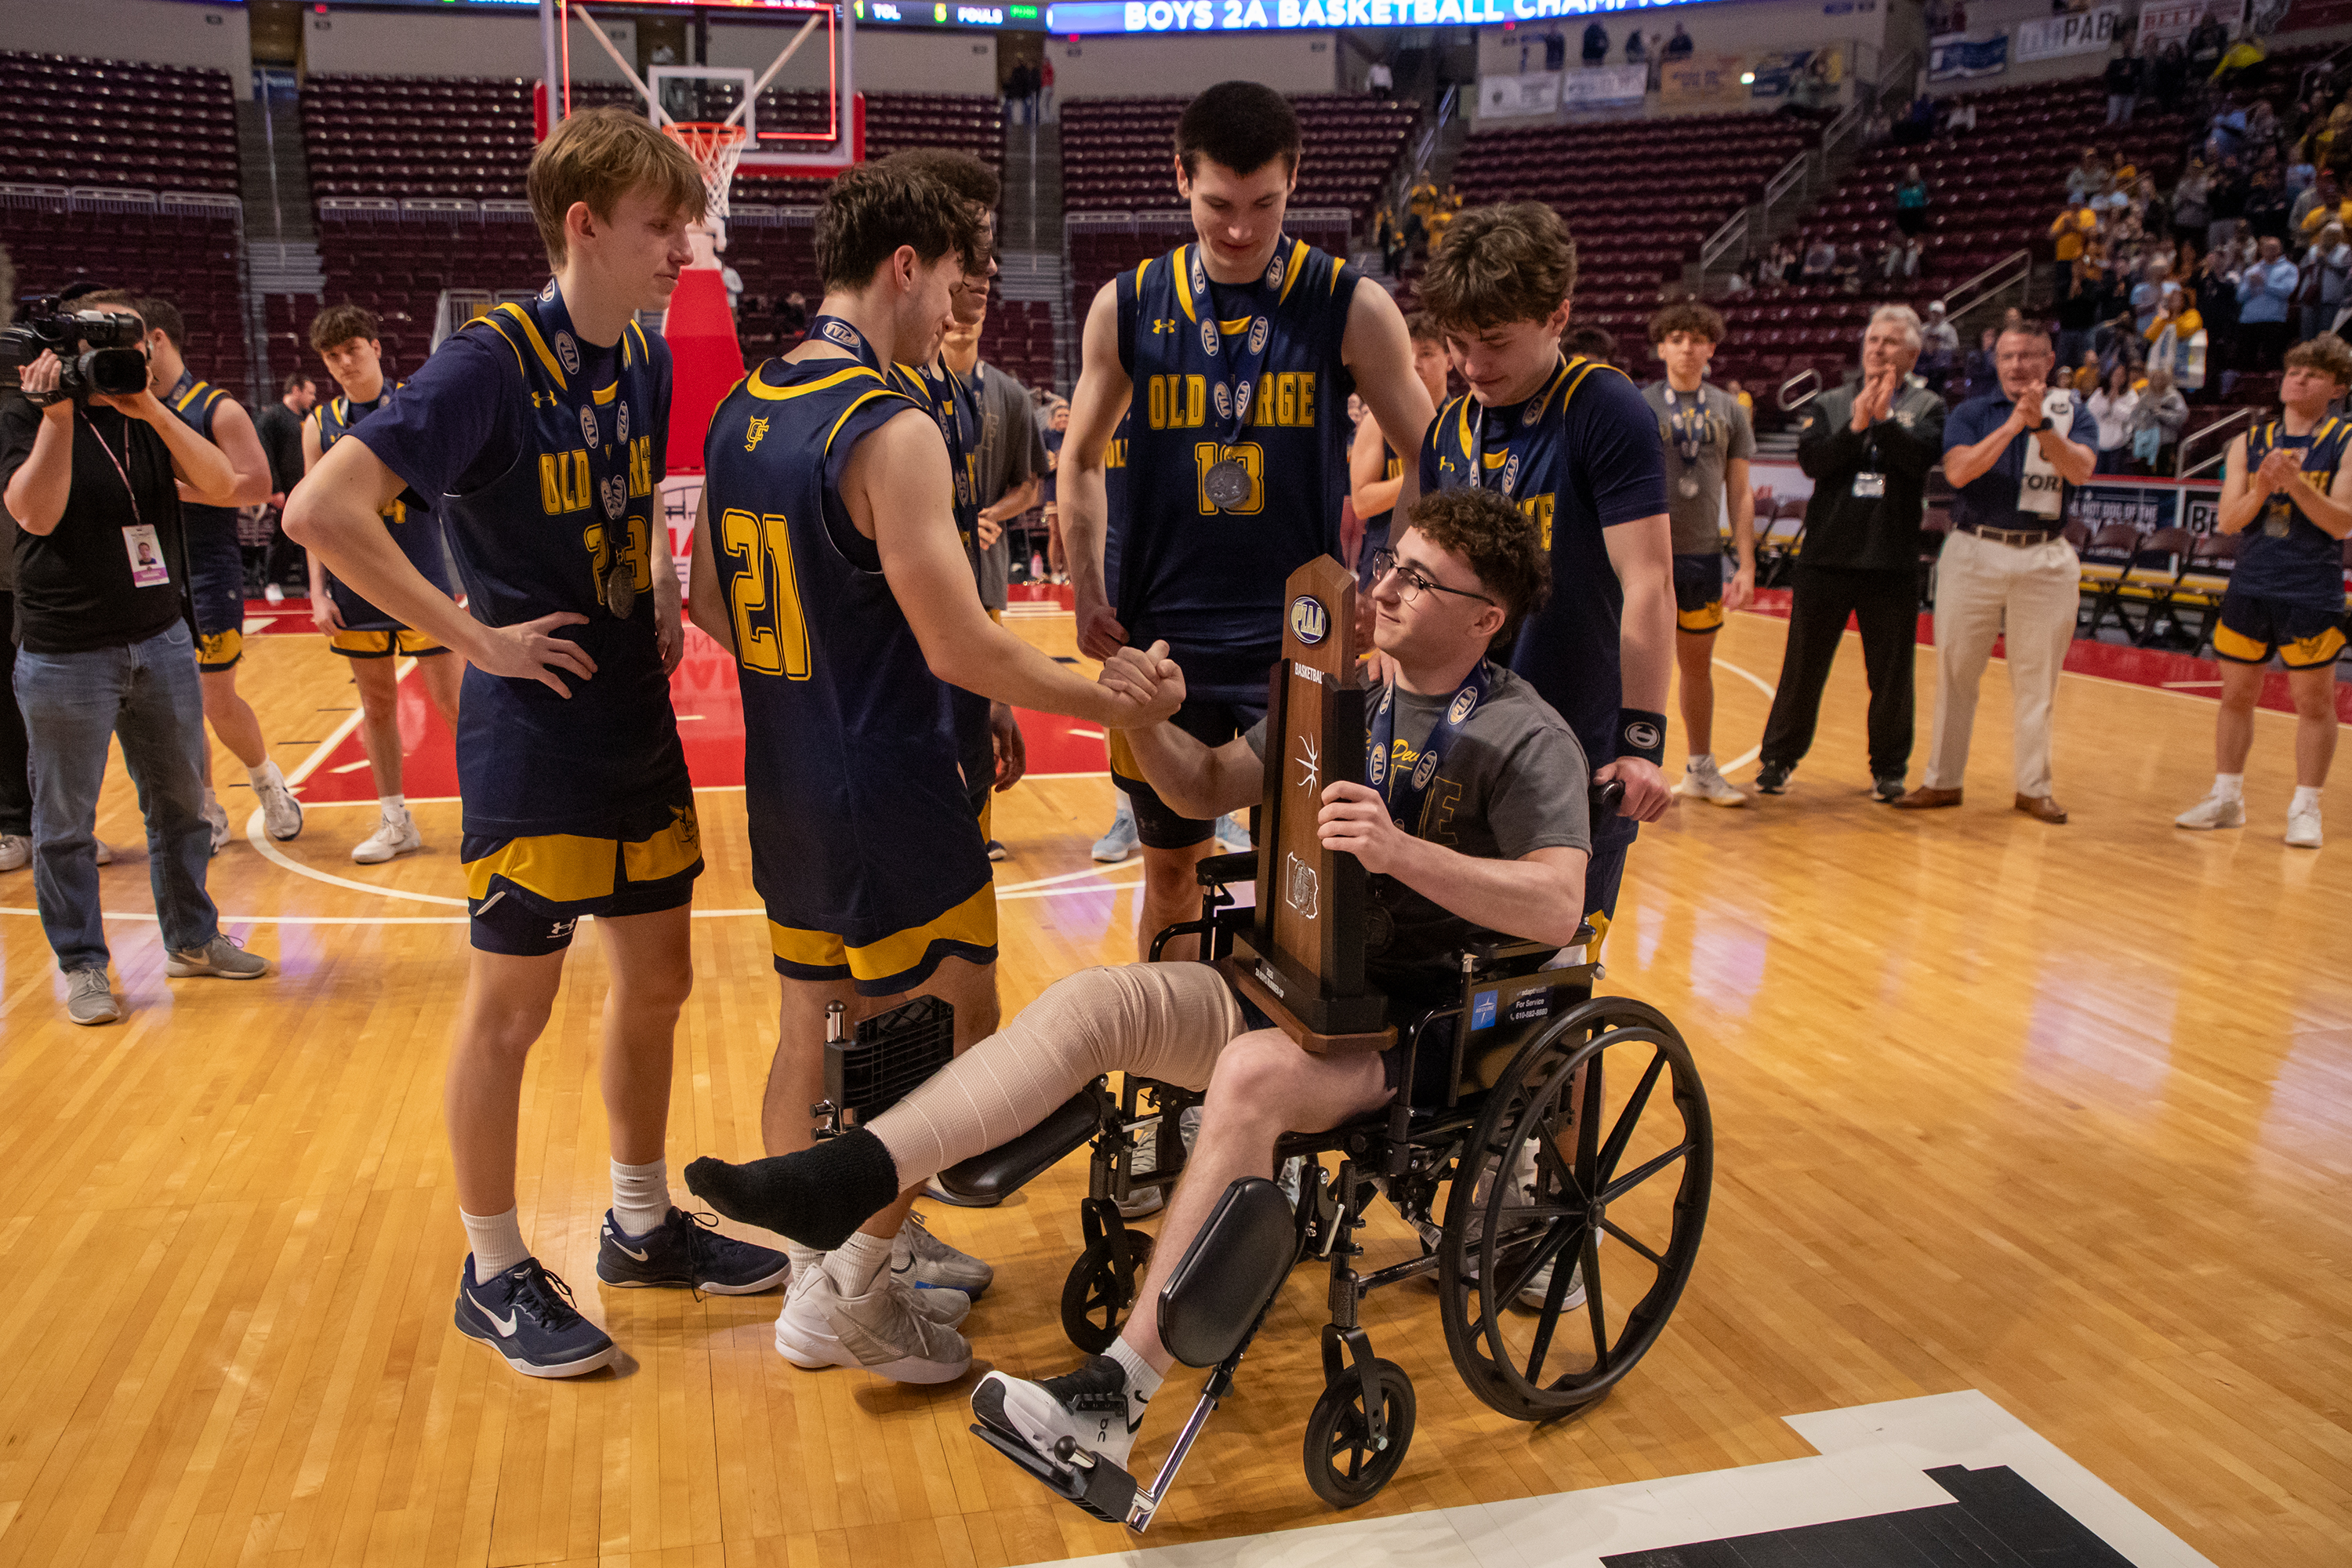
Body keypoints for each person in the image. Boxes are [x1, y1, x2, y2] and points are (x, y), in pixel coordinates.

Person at [681, 488, 1592, 1467]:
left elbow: (1556, 905)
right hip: (1299, 984)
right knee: (1096, 1000)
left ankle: (1117, 1398)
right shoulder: (1338, 694)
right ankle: (851, 1175)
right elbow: (1203, 785)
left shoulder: (1525, 734)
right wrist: (1149, 722)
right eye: (1392, 561)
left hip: (1411, 1030)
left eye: (1421, 577)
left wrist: (1402, 851)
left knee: (1247, 1080)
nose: (1389, 585)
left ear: (1485, 617)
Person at [285, 107, 791, 1379]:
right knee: (512, 1008)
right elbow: (321, 509)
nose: (687, 243)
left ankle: (637, 1223)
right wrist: (474, 635)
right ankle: (495, 1265)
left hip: (633, 715)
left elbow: (631, 503)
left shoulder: (654, 359)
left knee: (660, 983)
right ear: (585, 225)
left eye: (688, 220)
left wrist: (669, 600)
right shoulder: (489, 362)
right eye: (661, 224)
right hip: (533, 736)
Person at [691, 159, 1184, 1383]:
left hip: (791, 779)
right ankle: (852, 1294)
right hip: (890, 787)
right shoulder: (891, 421)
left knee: (817, 1019)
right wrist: (1108, 696)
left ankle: (823, 1270)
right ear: (904, 267)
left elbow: (702, 599)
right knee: (947, 1028)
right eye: (954, 276)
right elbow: (961, 642)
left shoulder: (746, 400)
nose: (960, 301)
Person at [1058, 82, 1437, 966]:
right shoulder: (1129, 303)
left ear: (1294, 181)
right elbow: (1076, 459)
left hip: (1297, 644)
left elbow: (1430, 452)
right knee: (1169, 878)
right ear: (1180, 179)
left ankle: (1263, 1084)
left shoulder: (1350, 304)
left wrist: (1387, 585)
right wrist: (1086, 589)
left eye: (1264, 204)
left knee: (1295, 878)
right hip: (1164, 647)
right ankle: (1169, 1078)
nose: (1239, 229)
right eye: (1218, 204)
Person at [2, 289, 268, 1025]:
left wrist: (150, 409)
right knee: (65, 824)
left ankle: (192, 937)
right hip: (65, 652)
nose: (115, 355)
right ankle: (84, 964)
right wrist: (58, 417)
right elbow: (36, 512)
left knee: (182, 807)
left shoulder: (143, 414)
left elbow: (223, 485)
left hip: (161, 635)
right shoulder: (22, 414)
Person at [1418, 201, 1675, 946]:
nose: (1472, 365)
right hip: (1463, 741)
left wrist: (1642, 742)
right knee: (1459, 967)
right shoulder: (1448, 427)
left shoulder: (1604, 408)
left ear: (1558, 314)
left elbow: (1650, 585)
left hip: (1575, 743)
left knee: (1554, 966)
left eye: (1493, 343)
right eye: (1458, 343)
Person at [1897, 321, 2096, 823]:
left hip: (2045, 556)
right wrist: (2012, 426)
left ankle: (2034, 787)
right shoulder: (1970, 412)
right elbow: (1960, 472)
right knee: (1955, 671)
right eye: (2007, 356)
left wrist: (2041, 428)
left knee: (2038, 679)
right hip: (1974, 548)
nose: (2016, 365)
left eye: (2028, 356)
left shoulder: (2074, 413)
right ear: (1996, 361)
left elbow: (2079, 470)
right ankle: (1943, 780)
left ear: (2049, 361)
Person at [1755, 307, 1947, 803]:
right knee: (1803, 666)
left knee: (1890, 675)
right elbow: (1814, 461)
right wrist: (1858, 424)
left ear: (1912, 353)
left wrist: (1881, 422)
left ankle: (1888, 769)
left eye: (1890, 341)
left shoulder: (1929, 407)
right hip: (1826, 557)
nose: (1879, 348)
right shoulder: (1833, 402)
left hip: (1892, 561)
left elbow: (1918, 461)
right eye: (1873, 340)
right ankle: (1777, 760)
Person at [136, 295, 306, 851]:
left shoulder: (217, 408)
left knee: (216, 699)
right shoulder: (122, 409)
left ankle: (266, 780)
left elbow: (257, 487)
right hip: (150, 570)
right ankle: (205, 805)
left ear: (158, 339)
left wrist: (175, 490)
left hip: (208, 567)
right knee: (177, 702)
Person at [299, 305, 466, 866]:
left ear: (375, 347)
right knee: (376, 704)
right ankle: (396, 820)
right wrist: (317, 591)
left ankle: (491, 813)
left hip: (421, 570)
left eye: (353, 349)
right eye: (332, 355)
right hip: (354, 584)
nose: (345, 362)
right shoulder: (318, 424)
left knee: (455, 701)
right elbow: (311, 515)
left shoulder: (414, 405)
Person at [2174, 334, 2352, 848]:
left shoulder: (2344, 441)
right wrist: (2264, 487)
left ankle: (2306, 807)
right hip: (2250, 584)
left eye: (2313, 374)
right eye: (2294, 369)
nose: (2297, 378)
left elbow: (2341, 524)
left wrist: (2295, 485)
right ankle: (2226, 797)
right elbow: (2230, 520)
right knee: (2235, 695)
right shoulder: (2247, 443)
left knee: (2315, 702)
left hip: (2310, 590)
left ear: (2337, 387)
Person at [1642, 301, 1755, 807]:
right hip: (1645, 556)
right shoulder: (1640, 404)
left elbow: (1741, 492)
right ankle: (1624, 763)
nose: (1687, 348)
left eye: (1698, 339)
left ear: (1712, 348)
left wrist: (1747, 563)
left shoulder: (1731, 409)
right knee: (1634, 663)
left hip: (1703, 556)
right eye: (1678, 338)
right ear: (1661, 346)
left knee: (1696, 666)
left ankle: (1701, 768)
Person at [1348, 310, 1450, 596]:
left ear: (1450, 360)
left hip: (1442, 564)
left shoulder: (1463, 421)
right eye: (1409, 352)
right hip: (1385, 562)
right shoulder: (1377, 421)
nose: (1417, 363)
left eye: (1428, 353)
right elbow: (1362, 502)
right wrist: (1421, 471)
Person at [252, 372, 314, 601]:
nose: (313, 398)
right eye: (310, 392)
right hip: (284, 489)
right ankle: (273, 582)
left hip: (306, 487)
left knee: (310, 538)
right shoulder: (273, 417)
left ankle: (312, 585)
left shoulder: (309, 418)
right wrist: (274, 489)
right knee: (283, 537)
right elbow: (264, 453)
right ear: (295, 390)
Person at [2235, 234, 2299, 369]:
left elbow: (2286, 292)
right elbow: (2240, 297)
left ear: (2279, 250)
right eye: (2267, 248)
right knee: (2246, 362)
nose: (2270, 251)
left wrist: (2265, 284)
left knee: (2273, 361)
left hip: (2273, 320)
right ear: (2262, 250)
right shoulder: (2252, 271)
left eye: (2273, 248)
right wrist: (2251, 288)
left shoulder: (2289, 269)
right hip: (2249, 321)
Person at [2088, 361, 2140, 473]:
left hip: (2119, 444)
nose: (2118, 379)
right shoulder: (2100, 393)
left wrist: (2114, 404)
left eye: (2121, 376)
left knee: (2114, 475)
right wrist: (2107, 403)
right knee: (2098, 476)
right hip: (2100, 443)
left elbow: (2130, 416)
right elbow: (2090, 410)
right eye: (2116, 375)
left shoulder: (2130, 395)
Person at [2106, 40, 2146, 125]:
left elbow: (2138, 78)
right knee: (2113, 119)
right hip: (2116, 93)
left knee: (2126, 121)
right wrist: (2122, 75)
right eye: (2126, 45)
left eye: (2130, 45)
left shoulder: (2136, 63)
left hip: (2129, 94)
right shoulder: (2115, 62)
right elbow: (2109, 77)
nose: (2128, 47)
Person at [1895, 165, 1929, 238]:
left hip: (1918, 213)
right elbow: (1900, 199)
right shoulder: (1902, 185)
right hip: (1905, 213)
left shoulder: (1921, 184)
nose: (1913, 172)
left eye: (1915, 171)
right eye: (1911, 171)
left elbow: (1923, 198)